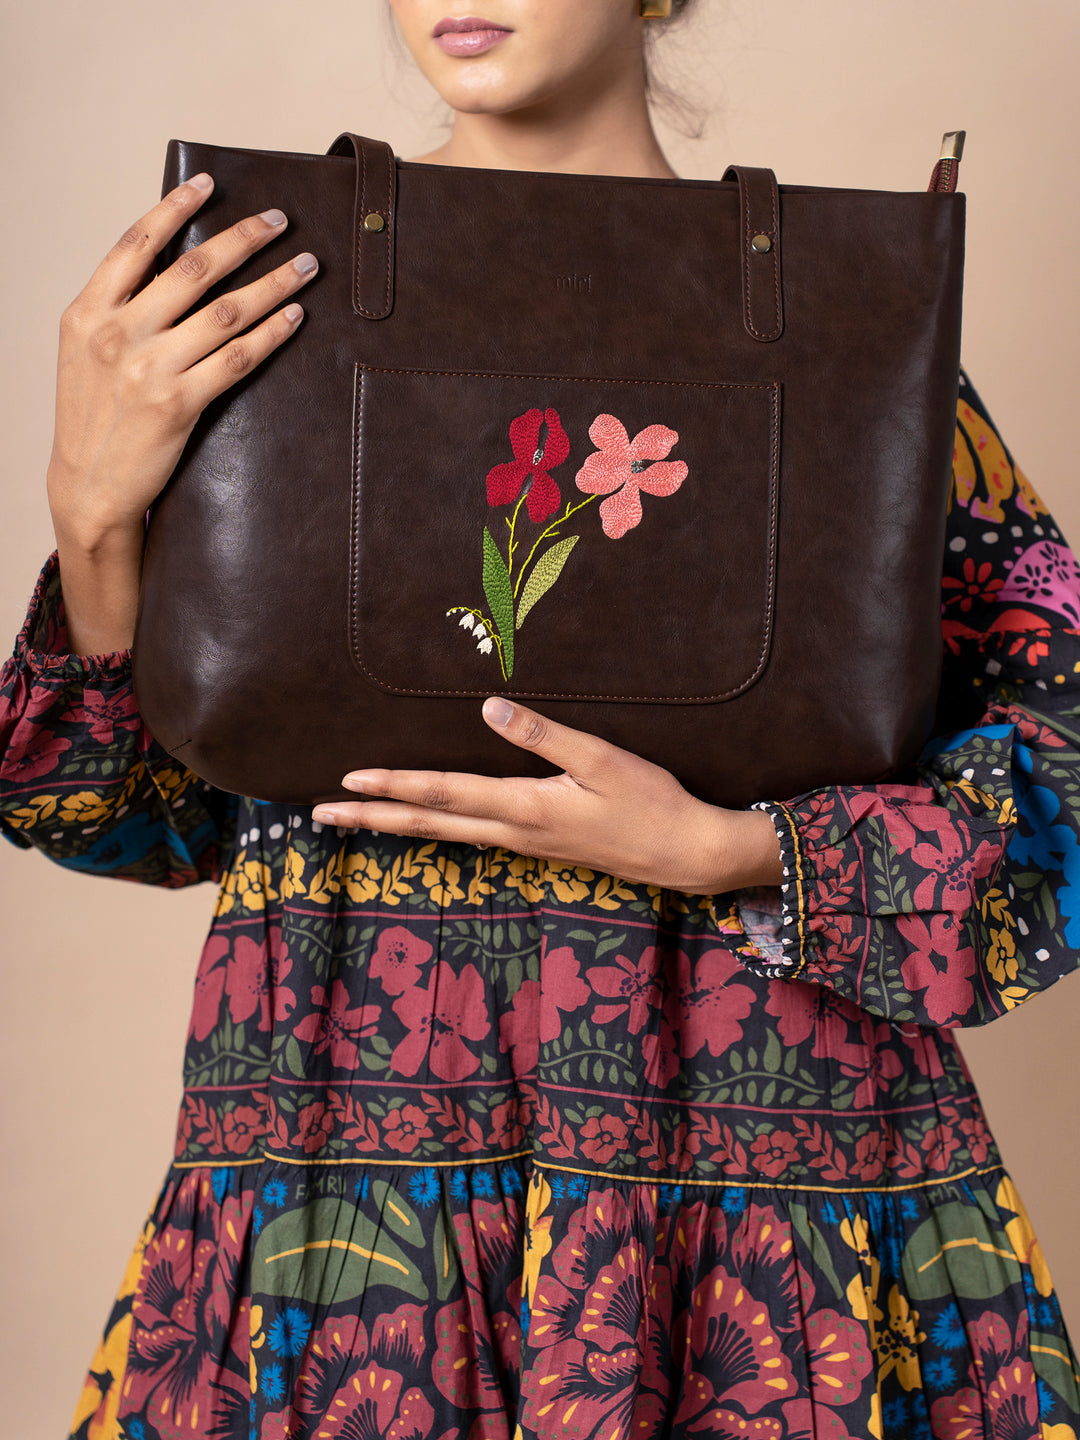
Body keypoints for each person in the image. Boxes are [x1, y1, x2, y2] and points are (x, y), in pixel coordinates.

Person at [2, 1, 1079, 1436]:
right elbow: (113, 811)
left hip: (761, 1203)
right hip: (342, 1189)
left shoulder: (848, 320)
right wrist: (90, 512)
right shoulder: (251, 290)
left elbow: (1062, 771)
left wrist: (740, 852)